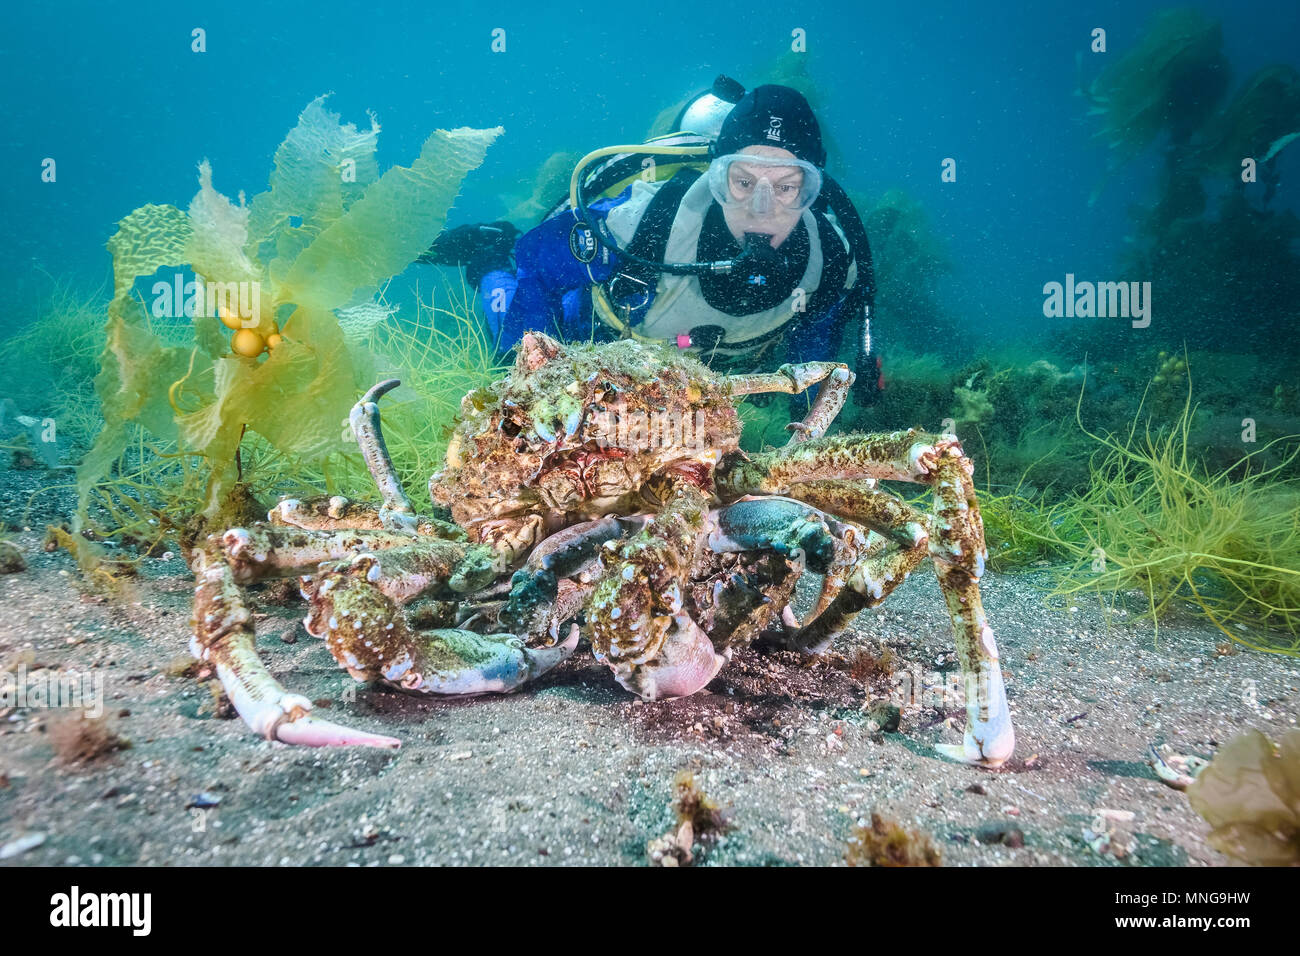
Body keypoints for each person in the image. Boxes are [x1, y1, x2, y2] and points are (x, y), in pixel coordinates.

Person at [421, 79, 884, 404]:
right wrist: (533, 390)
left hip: (713, 373)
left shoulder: (829, 264)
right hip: (592, 338)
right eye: (742, 182)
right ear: (714, 175)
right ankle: (486, 257)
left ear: (813, 190)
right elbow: (537, 260)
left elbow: (811, 364)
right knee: (509, 324)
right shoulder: (640, 222)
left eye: (787, 187)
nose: (762, 210)